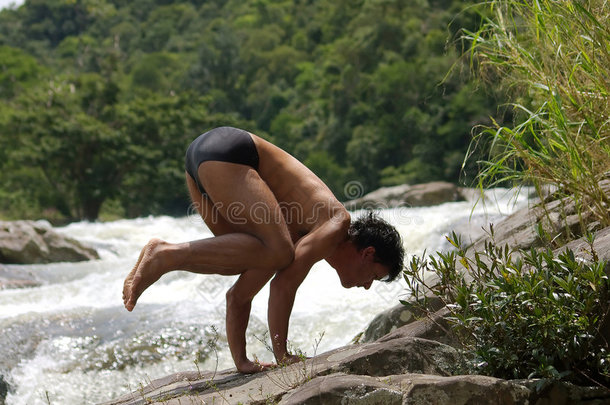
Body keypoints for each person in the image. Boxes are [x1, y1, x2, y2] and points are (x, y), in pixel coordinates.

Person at [122, 126, 404, 373]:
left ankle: (164, 254)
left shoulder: (291, 236)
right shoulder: (336, 223)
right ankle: (163, 253)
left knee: (248, 259)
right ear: (367, 253)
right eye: (374, 277)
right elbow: (283, 285)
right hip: (232, 152)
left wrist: (243, 362)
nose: (367, 286)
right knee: (280, 253)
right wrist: (283, 356)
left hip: (200, 160)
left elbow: (239, 296)